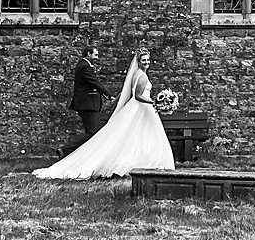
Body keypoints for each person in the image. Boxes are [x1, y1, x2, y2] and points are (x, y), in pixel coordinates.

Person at [34, 48, 175, 180]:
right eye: (144, 60)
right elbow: (138, 96)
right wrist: (154, 103)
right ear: (138, 61)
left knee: (136, 136)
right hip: (141, 107)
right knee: (137, 135)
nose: (146, 63)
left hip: (139, 109)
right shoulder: (142, 76)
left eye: (148, 60)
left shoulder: (136, 74)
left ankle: (139, 162)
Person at [69, 44, 116, 142]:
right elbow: (95, 82)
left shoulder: (84, 65)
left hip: (87, 104)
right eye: (95, 55)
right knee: (93, 133)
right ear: (88, 54)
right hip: (87, 104)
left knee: (91, 133)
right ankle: (66, 150)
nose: (97, 58)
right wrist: (109, 95)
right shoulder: (84, 66)